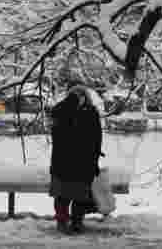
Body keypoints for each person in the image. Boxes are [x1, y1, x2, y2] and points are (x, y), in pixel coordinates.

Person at [49, 84, 103, 234]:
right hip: (64, 163)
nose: (78, 99)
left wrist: (94, 159)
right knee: (63, 196)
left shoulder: (90, 112)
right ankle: (63, 222)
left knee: (79, 197)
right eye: (74, 96)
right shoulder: (62, 111)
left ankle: (76, 222)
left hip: (81, 163)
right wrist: (70, 104)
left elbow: (96, 139)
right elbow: (57, 132)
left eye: (79, 96)